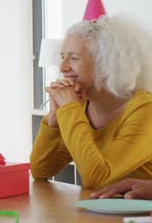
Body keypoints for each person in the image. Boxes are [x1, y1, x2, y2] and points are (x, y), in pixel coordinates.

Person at [30, 15, 152, 189]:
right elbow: (41, 171)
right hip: (102, 212)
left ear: (106, 63)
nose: (62, 67)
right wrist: (54, 120)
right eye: (62, 57)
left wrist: (70, 109)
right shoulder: (81, 107)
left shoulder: (145, 109)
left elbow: (98, 178)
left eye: (74, 58)